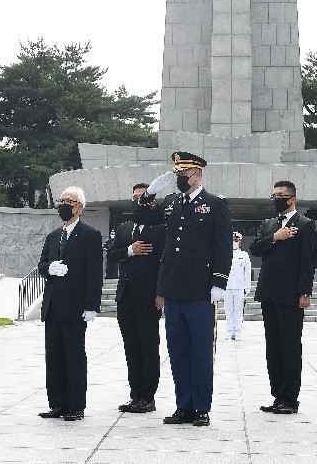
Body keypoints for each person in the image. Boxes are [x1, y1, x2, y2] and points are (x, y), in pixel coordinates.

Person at [147, 151, 232, 427]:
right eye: (177, 176)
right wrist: (149, 195)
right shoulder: (171, 203)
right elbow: (146, 221)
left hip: (200, 291)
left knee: (201, 351)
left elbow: (223, 247)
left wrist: (219, 282)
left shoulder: (215, 204)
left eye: (183, 176)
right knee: (178, 350)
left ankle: (201, 407)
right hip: (174, 290)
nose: (179, 180)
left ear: (197, 175)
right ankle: (183, 405)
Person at [250, 180, 316, 414]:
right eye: (274, 195)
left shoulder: (305, 225)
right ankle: (277, 395)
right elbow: (255, 249)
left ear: (292, 198)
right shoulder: (269, 224)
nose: (276, 199)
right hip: (269, 293)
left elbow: (308, 261)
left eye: (281, 195)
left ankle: (290, 398)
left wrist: (304, 292)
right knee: (273, 348)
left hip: (290, 296)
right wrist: (276, 237)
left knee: (289, 347)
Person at [37, 186, 103, 422]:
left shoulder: (90, 235)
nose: (63, 204)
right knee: (54, 357)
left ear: (79, 207)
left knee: (74, 356)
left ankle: (75, 405)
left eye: (69, 201)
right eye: (61, 200)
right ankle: (57, 403)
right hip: (53, 306)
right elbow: (42, 265)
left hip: (75, 307)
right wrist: (49, 269)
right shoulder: (53, 236)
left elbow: (94, 273)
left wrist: (91, 305)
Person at [107, 182, 164, 413]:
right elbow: (111, 254)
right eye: (134, 197)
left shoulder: (161, 228)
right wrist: (130, 250)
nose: (137, 201)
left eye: (142, 197)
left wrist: (161, 293)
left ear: (152, 201)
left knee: (148, 346)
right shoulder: (124, 228)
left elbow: (164, 263)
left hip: (149, 296)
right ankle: (135, 394)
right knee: (131, 347)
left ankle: (148, 397)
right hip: (126, 295)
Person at [224, 231, 251, 340]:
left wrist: (247, 287)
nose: (235, 243)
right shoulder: (225, 254)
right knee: (229, 310)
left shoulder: (244, 255)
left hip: (239, 286)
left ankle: (238, 331)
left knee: (238, 310)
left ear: (239, 242)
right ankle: (230, 331)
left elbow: (247, 272)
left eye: (236, 241)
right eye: (233, 241)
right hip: (227, 286)